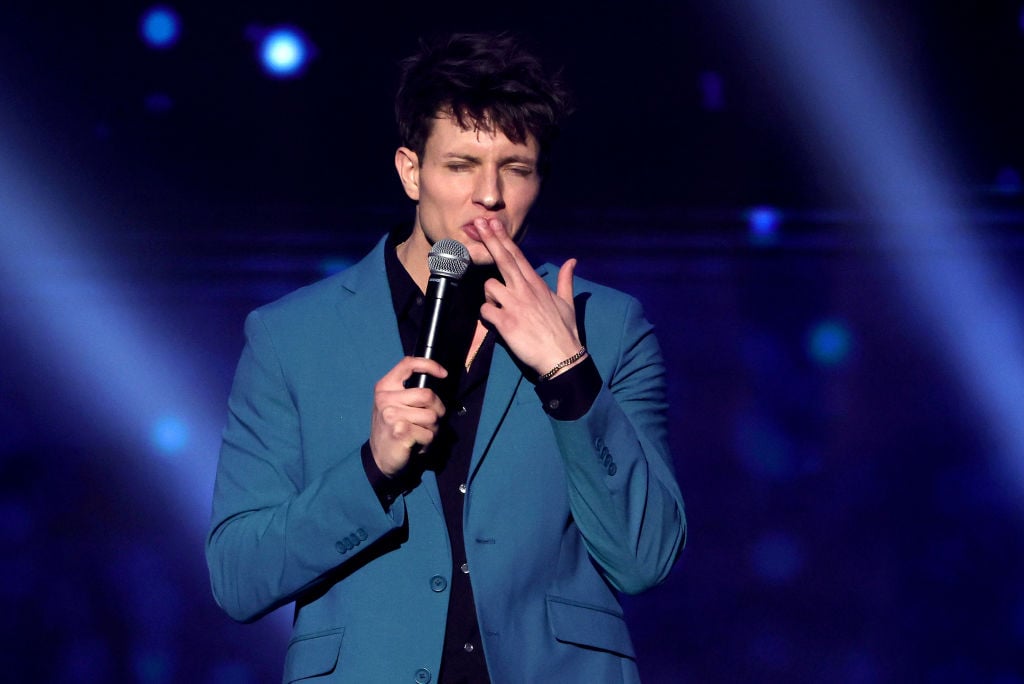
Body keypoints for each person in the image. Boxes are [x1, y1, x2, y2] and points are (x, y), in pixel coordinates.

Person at [206, 32, 686, 683]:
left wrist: (570, 378)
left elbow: (646, 557)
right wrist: (372, 471)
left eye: (515, 169)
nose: (488, 195)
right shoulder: (292, 336)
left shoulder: (606, 326)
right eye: (460, 165)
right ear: (411, 171)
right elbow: (238, 577)